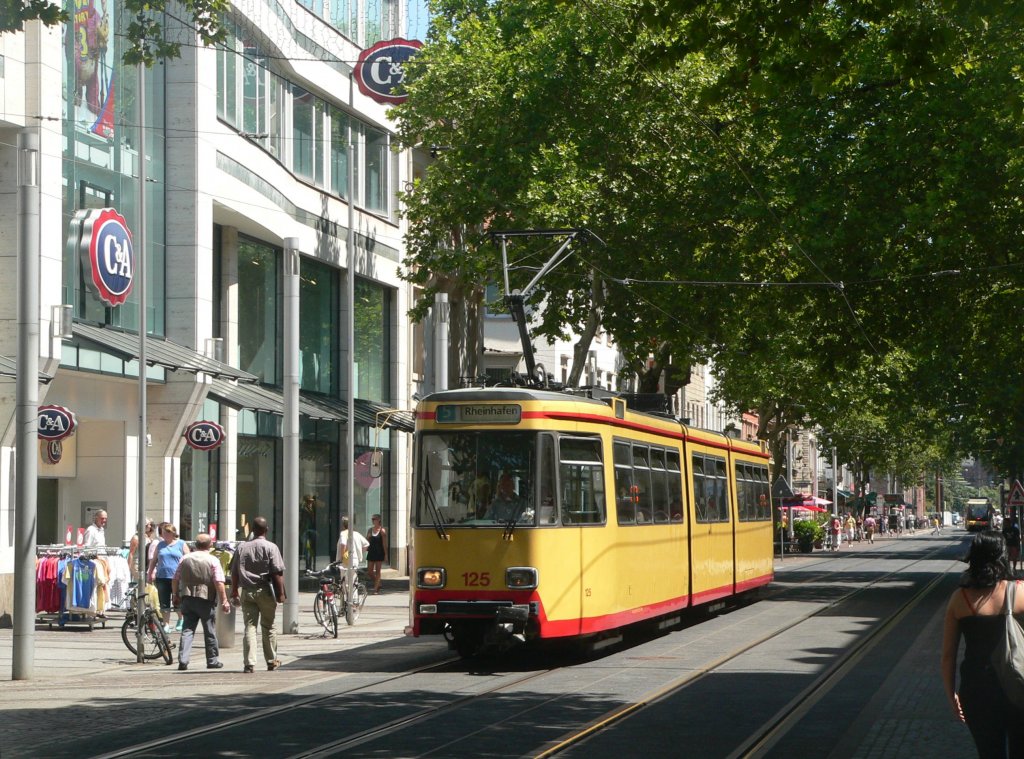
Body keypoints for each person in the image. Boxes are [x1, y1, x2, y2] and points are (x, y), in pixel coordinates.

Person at [941, 531, 1024, 758]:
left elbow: (948, 654)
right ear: (1003, 556)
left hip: (977, 689)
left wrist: (951, 695)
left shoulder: (960, 599)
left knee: (989, 753)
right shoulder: (1019, 592)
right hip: (1018, 686)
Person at [230, 516, 286, 673]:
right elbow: (277, 572)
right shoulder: (271, 547)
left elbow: (234, 572)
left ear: (253, 530)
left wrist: (234, 590)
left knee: (250, 627)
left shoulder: (242, 548)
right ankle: (271, 660)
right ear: (266, 530)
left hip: (247, 592)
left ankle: (249, 663)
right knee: (268, 626)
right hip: (265, 590)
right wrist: (281, 594)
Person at [171, 533, 229, 671]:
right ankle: (212, 660)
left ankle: (183, 660)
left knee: (187, 629)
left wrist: (175, 595)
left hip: (187, 597)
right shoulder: (212, 560)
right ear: (210, 545)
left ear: (196, 545)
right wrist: (224, 600)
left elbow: (175, 578)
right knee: (209, 629)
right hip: (206, 598)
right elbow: (219, 582)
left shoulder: (185, 558)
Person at [148, 523, 190, 632]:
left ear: (173, 533)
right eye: (164, 533)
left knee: (178, 599)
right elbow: (154, 560)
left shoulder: (181, 544)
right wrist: (150, 573)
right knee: (164, 601)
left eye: (168, 533)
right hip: (162, 577)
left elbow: (188, 558)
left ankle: (181, 619)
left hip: (177, 577)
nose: (166, 535)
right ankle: (166, 624)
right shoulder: (160, 545)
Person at [366, 514, 388, 594]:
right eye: (372, 519)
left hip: (379, 552)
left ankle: (375, 589)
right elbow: (366, 541)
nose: (373, 521)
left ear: (379, 520)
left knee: (378, 571)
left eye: (374, 519)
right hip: (371, 552)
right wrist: (367, 538)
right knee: (369, 571)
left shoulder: (382, 530)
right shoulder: (370, 530)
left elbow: (384, 544)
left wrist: (386, 554)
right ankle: (378, 582)